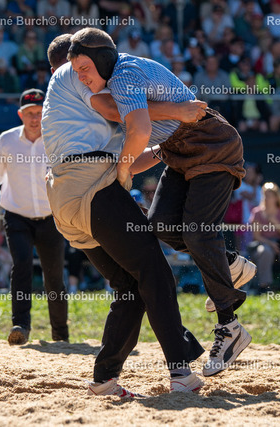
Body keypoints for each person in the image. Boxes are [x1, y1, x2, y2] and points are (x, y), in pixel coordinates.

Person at [67, 28, 256, 377]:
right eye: (75, 71)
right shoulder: (113, 83)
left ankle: (230, 327)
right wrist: (119, 171)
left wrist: (121, 171)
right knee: (161, 225)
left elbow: (139, 131)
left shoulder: (122, 75)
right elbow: (144, 134)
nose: (80, 77)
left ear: (103, 60)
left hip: (211, 144)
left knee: (198, 233)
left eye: (84, 68)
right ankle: (229, 264)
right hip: (177, 151)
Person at [42, 34, 205, 396]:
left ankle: (104, 379)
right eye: (79, 67)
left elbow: (128, 157)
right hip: (90, 186)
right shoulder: (72, 74)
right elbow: (121, 111)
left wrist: (164, 150)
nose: (84, 75)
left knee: (132, 287)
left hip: (68, 199)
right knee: (155, 272)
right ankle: (180, 372)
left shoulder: (77, 114)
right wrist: (177, 111)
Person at [0, 89, 69, 343]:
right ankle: (20, 326)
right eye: (30, 113)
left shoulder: (58, 139)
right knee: (21, 266)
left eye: (40, 112)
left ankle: (60, 333)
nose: (35, 118)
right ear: (21, 114)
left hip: (51, 217)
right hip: (17, 216)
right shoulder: (7, 140)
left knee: (54, 276)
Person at [249, 182, 280, 290]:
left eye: (269, 195)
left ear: (276, 197)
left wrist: (275, 223)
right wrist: (271, 244)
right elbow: (256, 236)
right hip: (264, 243)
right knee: (265, 251)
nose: (266, 198)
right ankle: (264, 286)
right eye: (264, 195)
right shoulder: (257, 212)